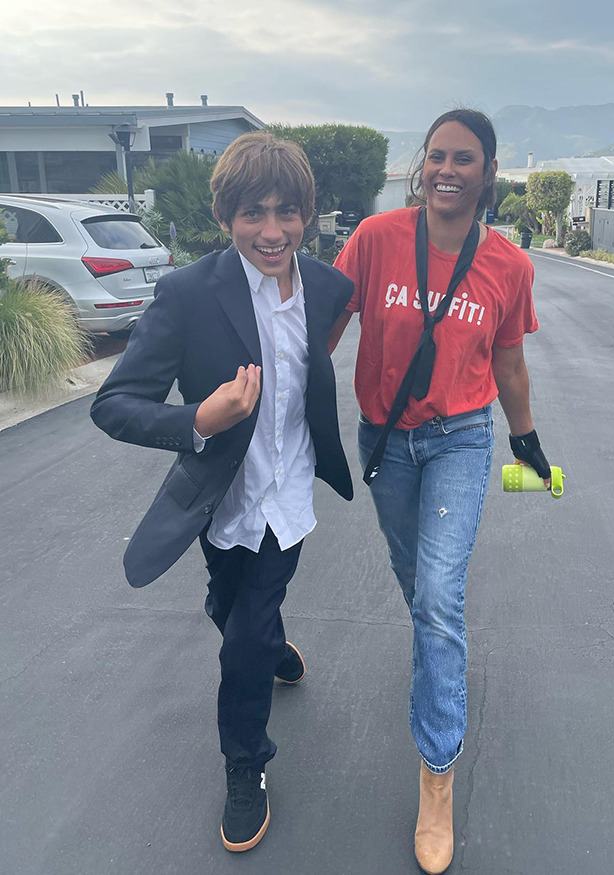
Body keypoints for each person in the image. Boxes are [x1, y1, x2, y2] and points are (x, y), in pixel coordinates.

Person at [90, 132, 353, 853]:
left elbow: (312, 370)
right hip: (220, 500)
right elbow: (114, 405)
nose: (272, 231)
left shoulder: (327, 288)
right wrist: (199, 420)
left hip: (287, 494)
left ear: (308, 214)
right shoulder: (187, 294)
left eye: (287, 211)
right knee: (227, 603)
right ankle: (269, 647)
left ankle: (246, 763)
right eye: (253, 213)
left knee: (244, 635)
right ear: (224, 217)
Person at [332, 108, 551, 875]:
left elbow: (510, 362)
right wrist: (282, 406)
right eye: (436, 156)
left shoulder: (509, 265)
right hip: (385, 440)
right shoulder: (374, 239)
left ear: (487, 173)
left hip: (460, 437)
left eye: (463, 159)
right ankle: (438, 652)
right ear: (420, 165)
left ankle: (437, 773)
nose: (446, 170)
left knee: (436, 593)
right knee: (418, 584)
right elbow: (324, 329)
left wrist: (526, 440)